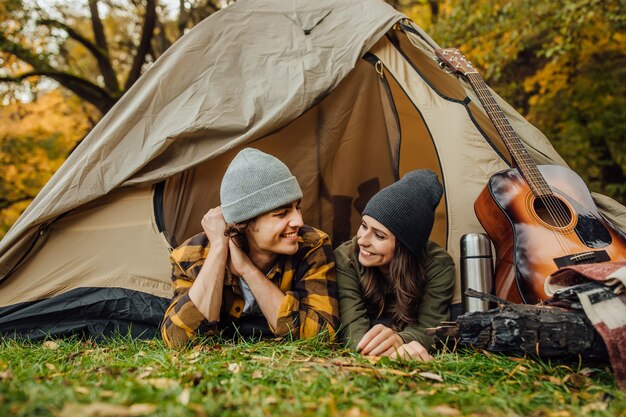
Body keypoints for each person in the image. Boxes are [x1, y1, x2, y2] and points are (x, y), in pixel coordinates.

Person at [161, 148, 339, 348]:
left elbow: (322, 337)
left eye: (297, 207)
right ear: (244, 223)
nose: (298, 220)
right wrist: (219, 249)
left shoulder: (312, 246)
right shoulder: (191, 256)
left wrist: (248, 270)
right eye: (282, 213)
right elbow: (179, 340)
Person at [335, 170, 455, 361]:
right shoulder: (346, 257)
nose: (362, 241)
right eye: (364, 225)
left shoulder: (438, 265)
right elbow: (352, 331)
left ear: (404, 246)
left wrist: (400, 340)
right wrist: (375, 350)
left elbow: (432, 327)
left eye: (379, 235)